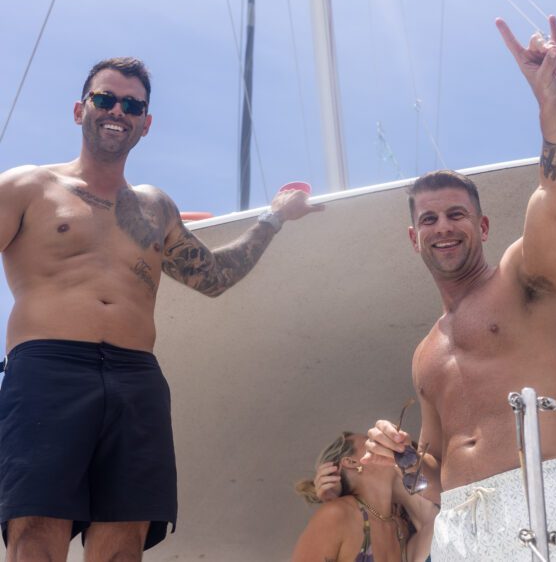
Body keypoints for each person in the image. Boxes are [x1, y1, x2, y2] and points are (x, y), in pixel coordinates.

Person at [0, 57, 322, 562]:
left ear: (145, 124)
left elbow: (213, 277)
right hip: (49, 368)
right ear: (79, 108)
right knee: (37, 532)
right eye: (105, 99)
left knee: (125, 540)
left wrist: (274, 217)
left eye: (132, 105)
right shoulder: (26, 186)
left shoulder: (154, 207)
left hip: (135, 377)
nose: (117, 111)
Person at [363, 17, 556, 559]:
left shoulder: (524, 280)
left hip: (541, 495)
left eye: (456, 214)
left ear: (483, 226)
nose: (443, 227)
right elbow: (432, 478)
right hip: (460, 525)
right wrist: (402, 458)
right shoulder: (425, 354)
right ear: (413, 238)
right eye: (428, 220)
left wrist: (553, 102)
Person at [292, 432, 435, 562]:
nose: (384, 443)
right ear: (351, 462)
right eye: (371, 441)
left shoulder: (402, 528)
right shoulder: (337, 514)